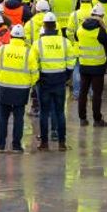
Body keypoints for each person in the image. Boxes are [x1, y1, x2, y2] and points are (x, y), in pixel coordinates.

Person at [0, 25, 39, 153]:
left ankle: (1, 145)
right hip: (21, 90)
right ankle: (16, 146)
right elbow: (35, 73)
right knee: (19, 118)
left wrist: (1, 79)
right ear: (23, 38)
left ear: (11, 36)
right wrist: (28, 84)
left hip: (4, 88)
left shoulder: (1, 50)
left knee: (3, 116)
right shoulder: (28, 52)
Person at [35, 13, 72, 151]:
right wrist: (66, 76)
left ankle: (44, 143)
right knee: (60, 112)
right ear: (56, 26)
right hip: (59, 80)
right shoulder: (64, 42)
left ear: (44, 26)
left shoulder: (37, 43)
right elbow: (71, 62)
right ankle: (62, 143)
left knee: (44, 112)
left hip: (43, 81)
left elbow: (34, 64)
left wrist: (37, 78)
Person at [75, 6, 107, 127]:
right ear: (101, 17)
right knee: (96, 94)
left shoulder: (80, 29)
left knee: (83, 92)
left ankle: (82, 118)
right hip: (98, 66)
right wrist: (104, 26)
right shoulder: (100, 31)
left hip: (84, 64)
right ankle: (97, 119)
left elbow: (76, 37)